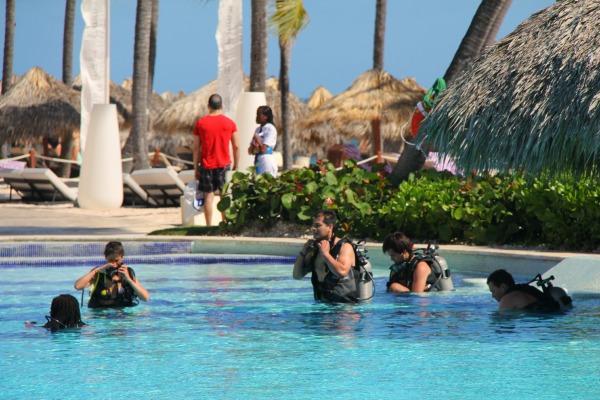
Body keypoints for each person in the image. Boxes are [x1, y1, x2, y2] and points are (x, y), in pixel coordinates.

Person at [193, 93, 240, 226]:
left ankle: (208, 226)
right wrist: (236, 165)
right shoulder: (229, 123)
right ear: (222, 106)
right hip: (224, 164)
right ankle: (225, 223)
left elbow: (196, 148)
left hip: (206, 164)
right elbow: (236, 146)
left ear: (208, 106)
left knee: (208, 196)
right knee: (224, 196)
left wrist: (196, 168)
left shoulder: (200, 123)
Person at [293, 210, 359, 303]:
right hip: (322, 305)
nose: (314, 228)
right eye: (313, 225)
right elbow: (297, 275)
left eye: (318, 225)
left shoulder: (344, 247)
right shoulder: (315, 249)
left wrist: (326, 255)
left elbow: (342, 272)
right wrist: (303, 253)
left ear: (330, 227)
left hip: (343, 308)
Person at [74, 241, 150, 308]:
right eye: (111, 260)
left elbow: (145, 298)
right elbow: (78, 286)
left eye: (117, 260)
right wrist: (95, 271)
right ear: (105, 257)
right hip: (101, 316)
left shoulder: (128, 273)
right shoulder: (98, 273)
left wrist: (129, 280)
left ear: (122, 257)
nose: (114, 264)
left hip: (123, 316)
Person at [383, 232, 452, 293]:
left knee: (395, 287)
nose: (391, 259)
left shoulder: (421, 267)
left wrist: (395, 288)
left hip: (428, 303)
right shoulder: (402, 266)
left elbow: (417, 297)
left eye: (393, 255)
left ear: (403, 251)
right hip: (410, 300)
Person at [486, 269, 564, 312]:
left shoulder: (508, 299)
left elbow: (502, 324)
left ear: (503, 286)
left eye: (493, 291)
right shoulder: (523, 289)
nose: (493, 296)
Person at [247, 105, 278, 177]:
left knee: (267, 184)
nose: (256, 117)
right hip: (258, 160)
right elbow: (250, 151)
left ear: (266, 116)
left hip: (266, 161)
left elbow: (263, 149)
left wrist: (257, 140)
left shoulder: (270, 129)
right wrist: (253, 144)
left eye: (258, 114)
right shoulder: (258, 129)